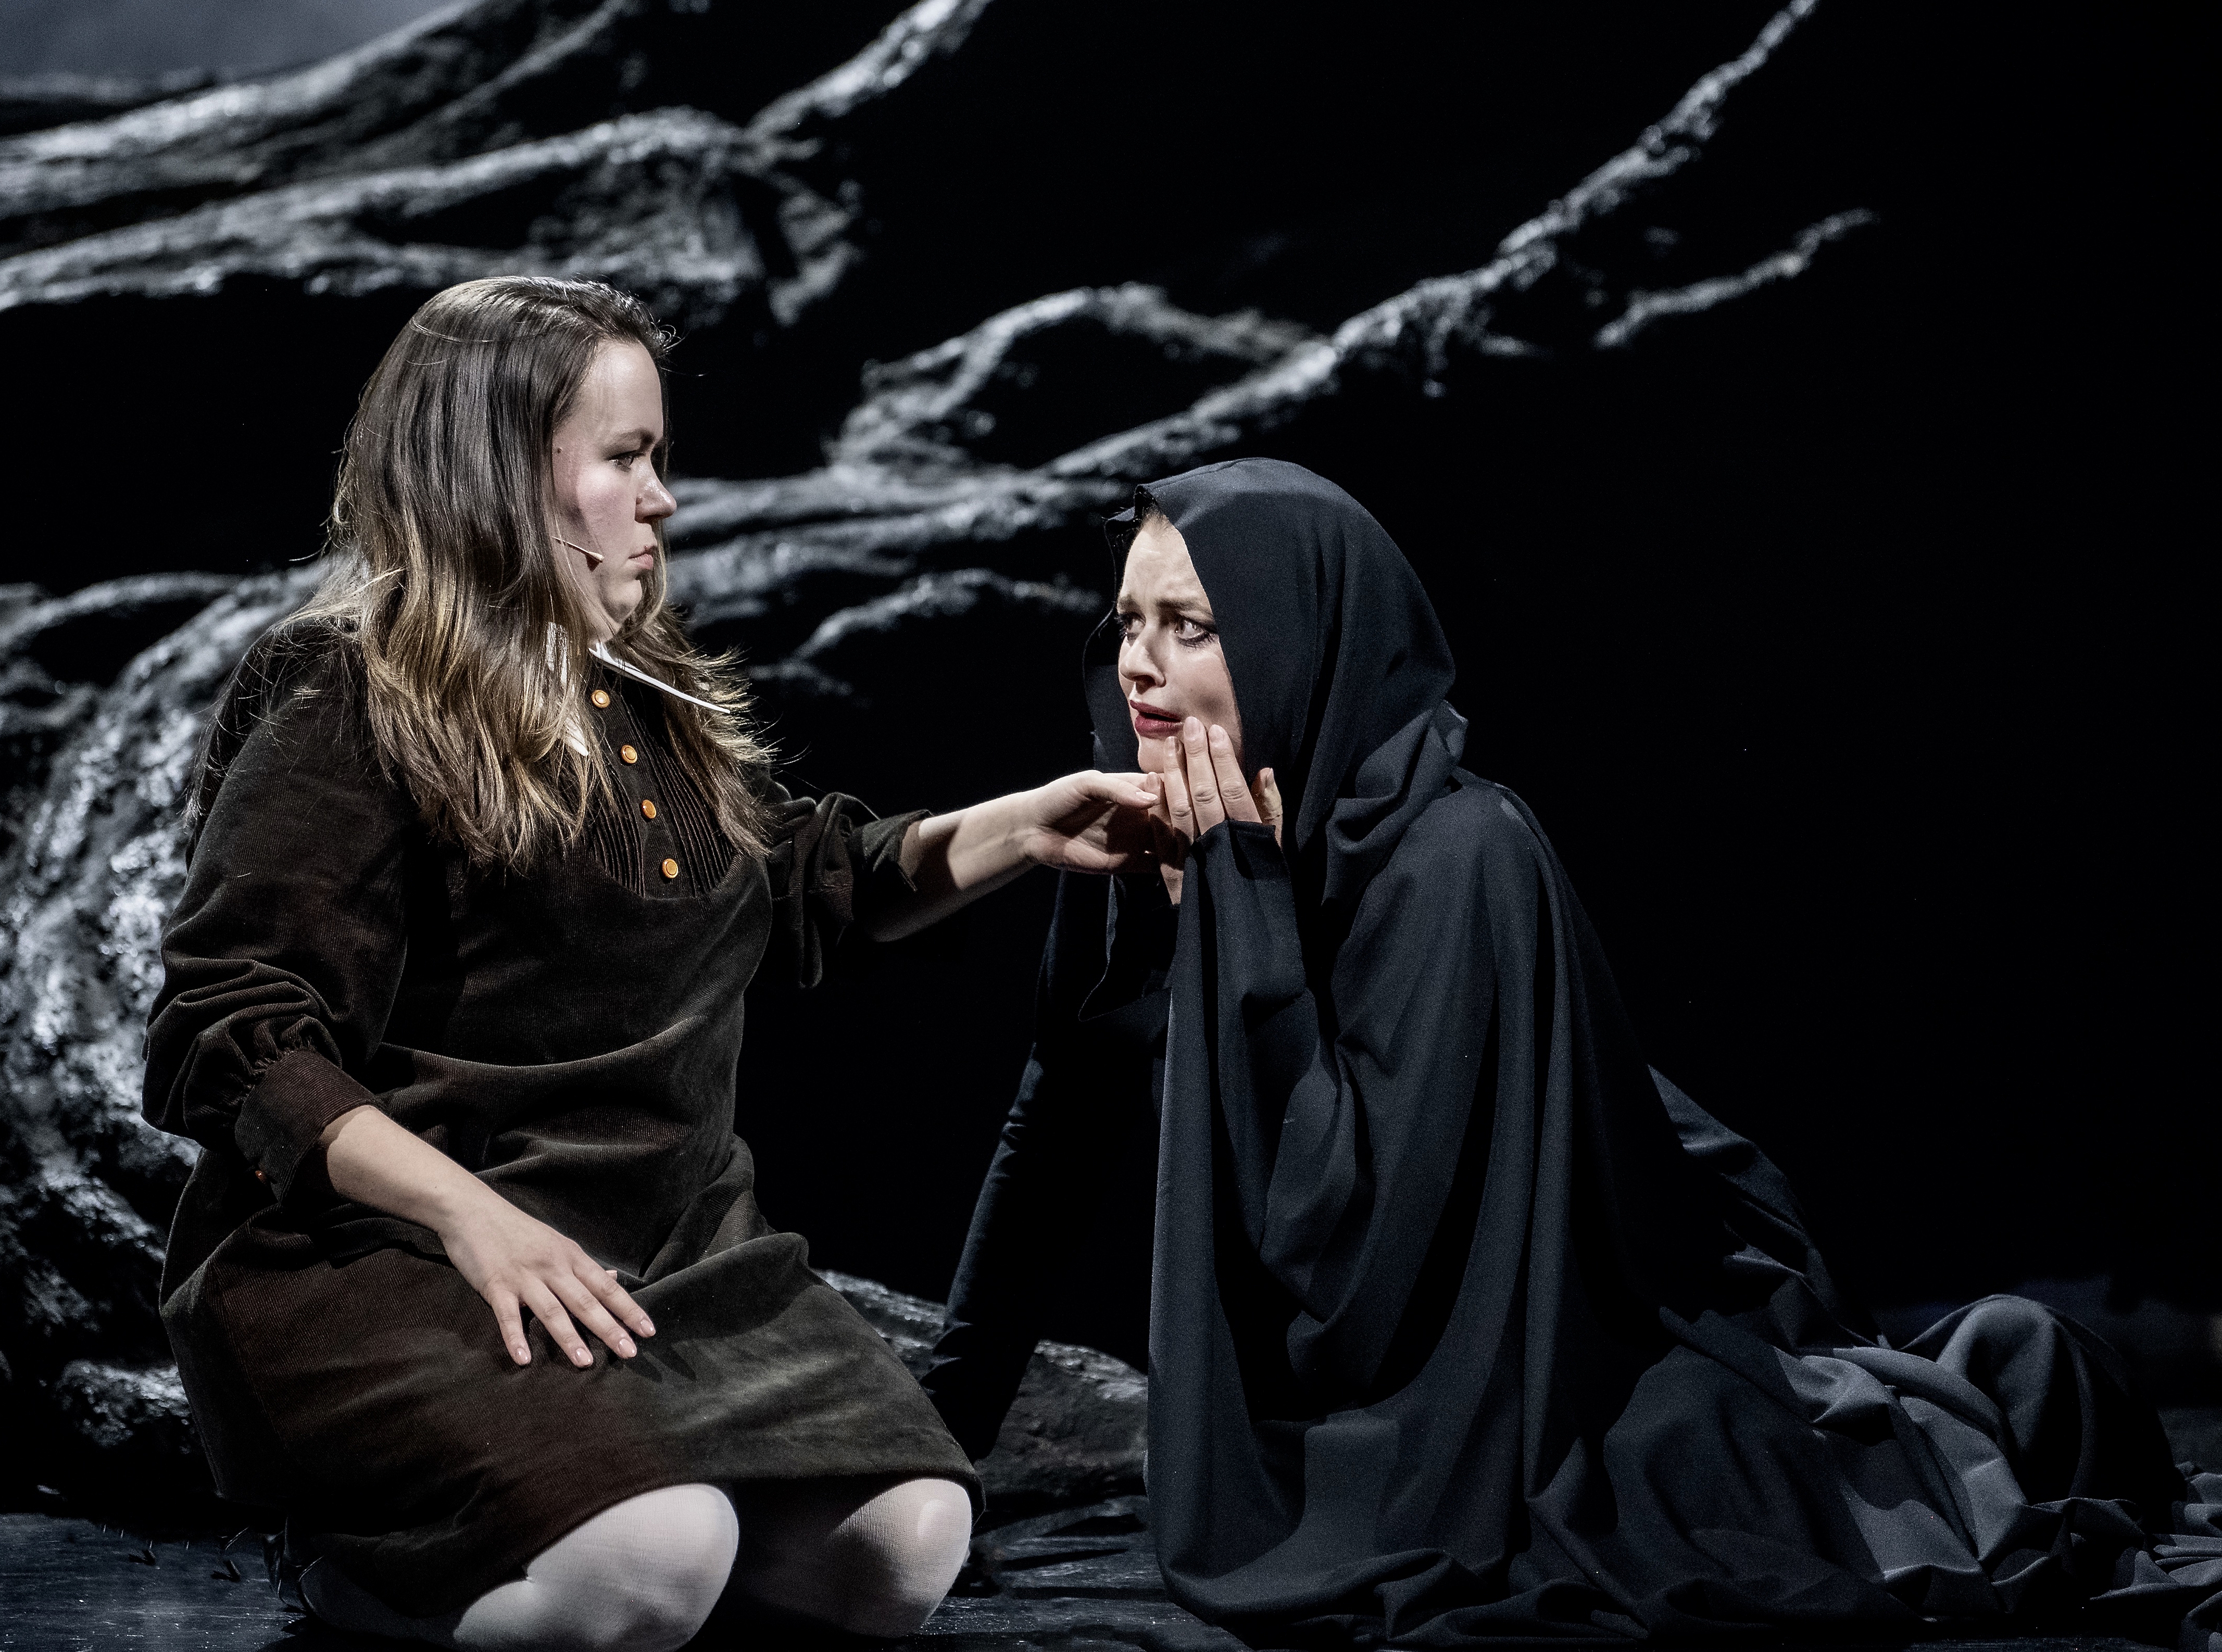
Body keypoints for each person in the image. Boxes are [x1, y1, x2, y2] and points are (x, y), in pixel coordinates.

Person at [921, 458, 2220, 1648]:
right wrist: (939, 1451)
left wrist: (1246, 916)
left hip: (1529, 1347)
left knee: (1692, 1485)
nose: (1138, 668)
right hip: (1336, 1388)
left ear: (1299, 637)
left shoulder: (1462, 854)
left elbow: (1353, 1260)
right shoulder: (1140, 834)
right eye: (1127, 621)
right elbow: (1054, 1140)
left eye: (1191, 627)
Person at [143, 275, 1166, 1650]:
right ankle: (354, 1567)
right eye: (625, 458)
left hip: (670, 1251)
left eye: (657, 458)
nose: (663, 499)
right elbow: (228, 1027)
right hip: (411, 1256)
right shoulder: (349, 694)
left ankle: (594, 1534)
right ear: (502, 473)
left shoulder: (645, 691)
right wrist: (470, 1217)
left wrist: (1031, 825)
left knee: (906, 1546)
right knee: (654, 1557)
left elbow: (796, 883)